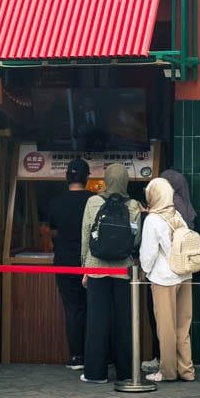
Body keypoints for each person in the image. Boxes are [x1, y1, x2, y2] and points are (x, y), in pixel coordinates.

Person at [80, 163, 142, 384]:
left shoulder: (93, 202)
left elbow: (86, 237)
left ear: (106, 179)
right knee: (125, 321)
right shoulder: (134, 205)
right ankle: (126, 371)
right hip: (123, 270)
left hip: (96, 267)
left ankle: (95, 373)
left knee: (97, 321)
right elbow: (135, 239)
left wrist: (84, 267)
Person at [139, 177, 196, 383]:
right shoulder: (177, 214)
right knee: (183, 326)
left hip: (164, 279)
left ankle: (168, 372)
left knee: (166, 327)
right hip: (185, 275)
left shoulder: (152, 220)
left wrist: (144, 271)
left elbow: (148, 254)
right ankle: (186, 370)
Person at [45, 158, 92, 371]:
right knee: (94, 308)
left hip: (64, 261)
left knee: (73, 309)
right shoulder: (94, 201)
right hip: (90, 262)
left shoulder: (55, 202)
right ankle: (96, 354)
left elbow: (51, 230)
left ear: (67, 177)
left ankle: (76, 356)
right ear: (87, 178)